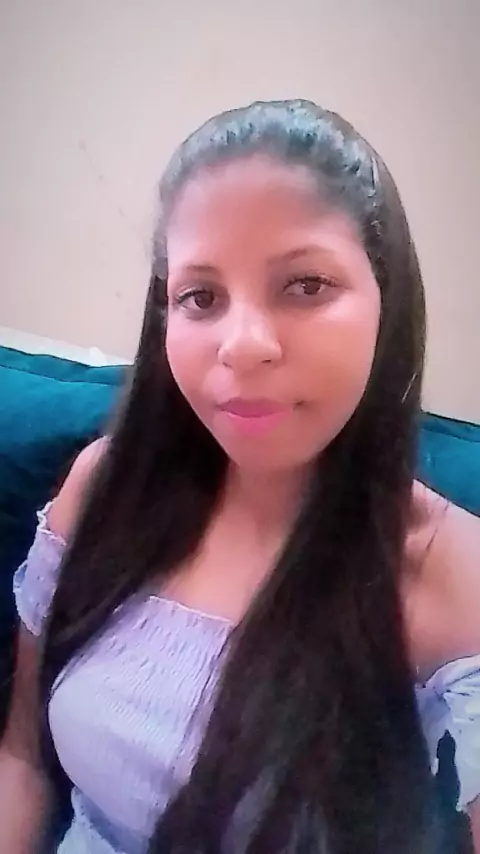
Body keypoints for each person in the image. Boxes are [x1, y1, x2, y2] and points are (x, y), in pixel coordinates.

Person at [0, 99, 479, 854]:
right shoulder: (105, 487)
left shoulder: (448, 572)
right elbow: (23, 759)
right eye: (201, 297)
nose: (243, 345)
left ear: (386, 300)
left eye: (305, 285)